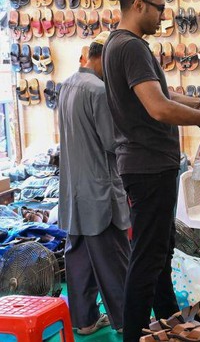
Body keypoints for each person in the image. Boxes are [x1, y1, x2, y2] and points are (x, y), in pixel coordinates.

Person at [102, 0, 200, 342]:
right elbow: (158, 108)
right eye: (159, 8)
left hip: (146, 165)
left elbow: (164, 97)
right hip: (148, 166)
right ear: (138, 5)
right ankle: (137, 337)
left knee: (157, 256)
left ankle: (173, 326)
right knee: (147, 260)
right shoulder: (131, 47)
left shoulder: (119, 44)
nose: (163, 16)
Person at [58, 32, 129, 336]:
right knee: (113, 258)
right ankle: (128, 320)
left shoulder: (66, 86)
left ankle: (84, 320)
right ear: (105, 58)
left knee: (79, 258)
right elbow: (113, 142)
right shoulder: (98, 90)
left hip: (74, 189)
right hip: (99, 189)